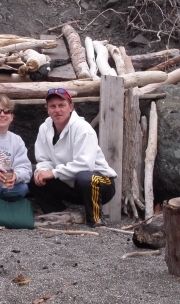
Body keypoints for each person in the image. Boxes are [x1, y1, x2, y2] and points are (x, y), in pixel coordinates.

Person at [28, 88, 117, 227]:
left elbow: (85, 164)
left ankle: (96, 219)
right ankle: (63, 216)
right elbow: (43, 159)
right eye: (52, 106)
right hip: (69, 183)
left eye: (61, 105)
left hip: (101, 182)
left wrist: (53, 172)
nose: (57, 110)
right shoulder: (44, 128)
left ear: (71, 107)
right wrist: (42, 171)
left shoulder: (83, 128)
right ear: (47, 109)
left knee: (85, 177)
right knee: (34, 178)